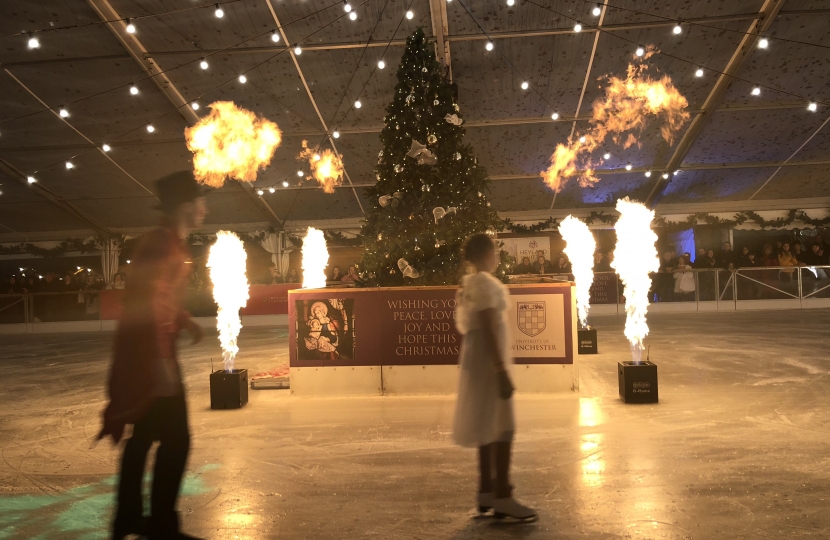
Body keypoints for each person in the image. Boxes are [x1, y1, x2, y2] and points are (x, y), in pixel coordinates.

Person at [98, 171, 207, 540]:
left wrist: (183, 320)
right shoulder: (161, 244)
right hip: (151, 353)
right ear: (186, 207)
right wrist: (159, 364)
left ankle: (132, 519)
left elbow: (161, 299)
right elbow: (149, 301)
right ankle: (157, 523)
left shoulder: (170, 243)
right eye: (200, 203)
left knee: (146, 435)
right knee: (176, 438)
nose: (205, 210)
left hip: (154, 351)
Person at [452, 233, 537, 522]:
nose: (497, 257)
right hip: (489, 363)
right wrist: (501, 370)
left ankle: (485, 490)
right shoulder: (486, 284)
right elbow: (489, 326)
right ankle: (502, 494)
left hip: (476, 360)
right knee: (503, 426)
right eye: (495, 252)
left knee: (486, 423)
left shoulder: (468, 284)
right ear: (487, 254)